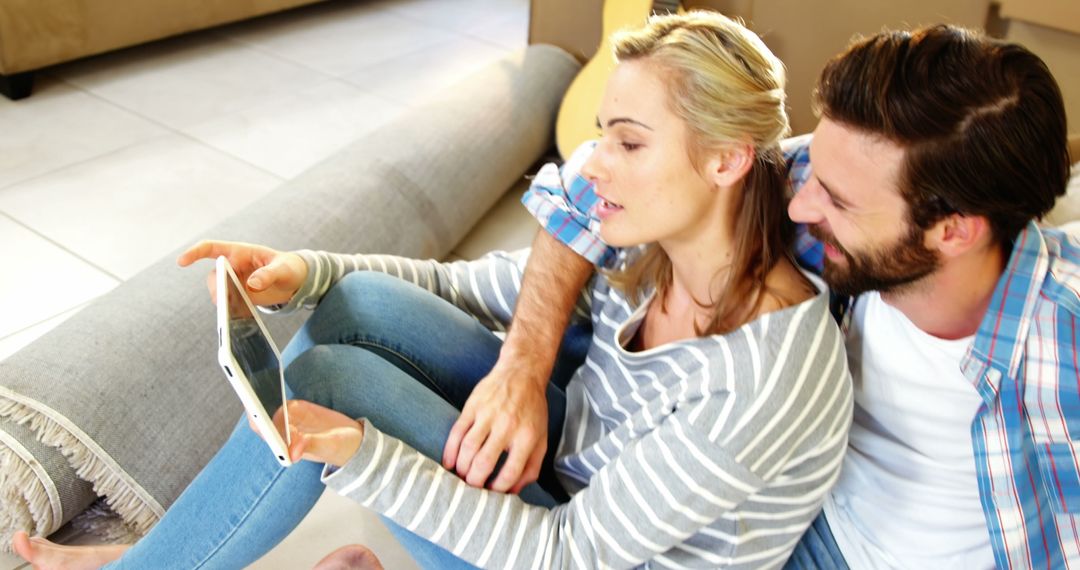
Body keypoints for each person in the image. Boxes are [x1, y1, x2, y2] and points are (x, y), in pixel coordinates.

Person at [13, 11, 853, 570]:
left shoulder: (765, 373)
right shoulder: (656, 247)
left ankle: (154, 566)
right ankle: (176, 550)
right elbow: (481, 286)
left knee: (330, 394)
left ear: (726, 159)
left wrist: (363, 458)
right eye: (602, 135)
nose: (594, 165)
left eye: (629, 144)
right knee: (358, 315)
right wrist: (311, 272)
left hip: (580, 550)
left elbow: (569, 552)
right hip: (571, 471)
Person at [460, 23, 1080, 569]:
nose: (801, 204)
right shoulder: (832, 175)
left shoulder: (1060, 354)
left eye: (836, 202)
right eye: (815, 176)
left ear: (953, 232)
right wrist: (523, 365)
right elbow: (584, 188)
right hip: (774, 509)